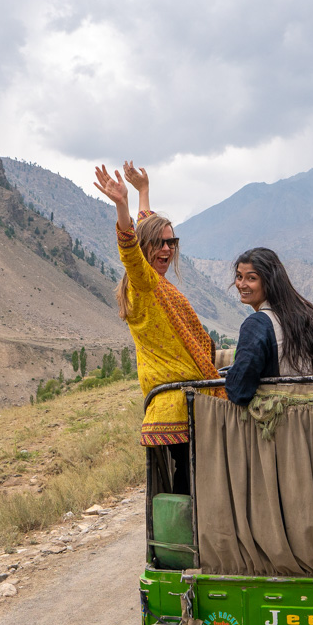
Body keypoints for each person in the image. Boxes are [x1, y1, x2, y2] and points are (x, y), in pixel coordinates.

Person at [93, 161, 221, 494]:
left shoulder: (156, 283)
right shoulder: (145, 284)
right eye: (161, 243)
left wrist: (143, 192)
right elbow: (131, 252)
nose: (167, 248)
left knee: (192, 472)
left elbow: (145, 229)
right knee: (192, 477)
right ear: (146, 246)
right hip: (178, 404)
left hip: (188, 399)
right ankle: (188, 539)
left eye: (172, 242)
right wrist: (122, 205)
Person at [223, 247, 313, 406]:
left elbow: (240, 390)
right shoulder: (308, 315)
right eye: (239, 277)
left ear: (269, 281)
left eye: (251, 278)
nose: (241, 285)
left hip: (282, 420)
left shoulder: (257, 324)